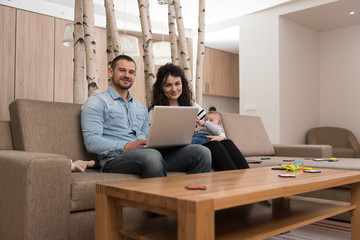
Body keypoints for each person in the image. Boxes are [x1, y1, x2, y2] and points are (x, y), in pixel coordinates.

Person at [80, 55, 211, 178]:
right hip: (114, 160)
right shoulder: (96, 102)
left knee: (201, 153)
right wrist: (126, 146)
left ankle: (191, 200)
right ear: (110, 72)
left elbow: (148, 138)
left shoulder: (140, 107)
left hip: (148, 153)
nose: (127, 75)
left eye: (131, 72)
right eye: (122, 70)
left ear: (134, 76)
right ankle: (162, 202)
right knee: (152, 156)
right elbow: (91, 142)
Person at [149, 63, 249, 171]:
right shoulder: (155, 111)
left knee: (227, 143)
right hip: (171, 153)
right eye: (168, 85)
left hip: (193, 146)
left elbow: (211, 122)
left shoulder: (191, 105)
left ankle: (249, 181)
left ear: (183, 84)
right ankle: (234, 184)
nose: (174, 89)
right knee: (214, 146)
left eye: (177, 83)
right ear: (161, 87)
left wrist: (221, 136)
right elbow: (151, 141)